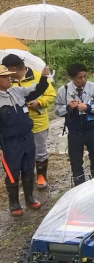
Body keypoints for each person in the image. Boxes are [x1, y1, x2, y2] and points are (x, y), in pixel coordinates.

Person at [0, 63, 50, 216]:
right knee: (12, 172)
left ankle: (29, 197)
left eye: (9, 75)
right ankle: (14, 203)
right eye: (4, 76)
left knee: (28, 169)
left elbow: (36, 90)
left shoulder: (16, 91)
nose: (9, 78)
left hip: (27, 138)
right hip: (10, 143)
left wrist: (43, 78)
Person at [3, 55, 56, 190]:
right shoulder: (8, 82)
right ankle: (27, 178)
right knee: (24, 153)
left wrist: (39, 102)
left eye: (7, 71)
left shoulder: (38, 75)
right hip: (17, 127)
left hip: (37, 121)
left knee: (40, 150)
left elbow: (50, 95)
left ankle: (41, 176)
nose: (7, 75)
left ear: (13, 69)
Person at [54, 63, 94, 187]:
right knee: (76, 161)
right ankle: (80, 186)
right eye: (79, 77)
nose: (83, 80)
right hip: (74, 131)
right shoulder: (64, 90)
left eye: (85, 76)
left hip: (91, 129)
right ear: (71, 78)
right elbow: (57, 110)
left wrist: (87, 107)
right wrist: (68, 107)